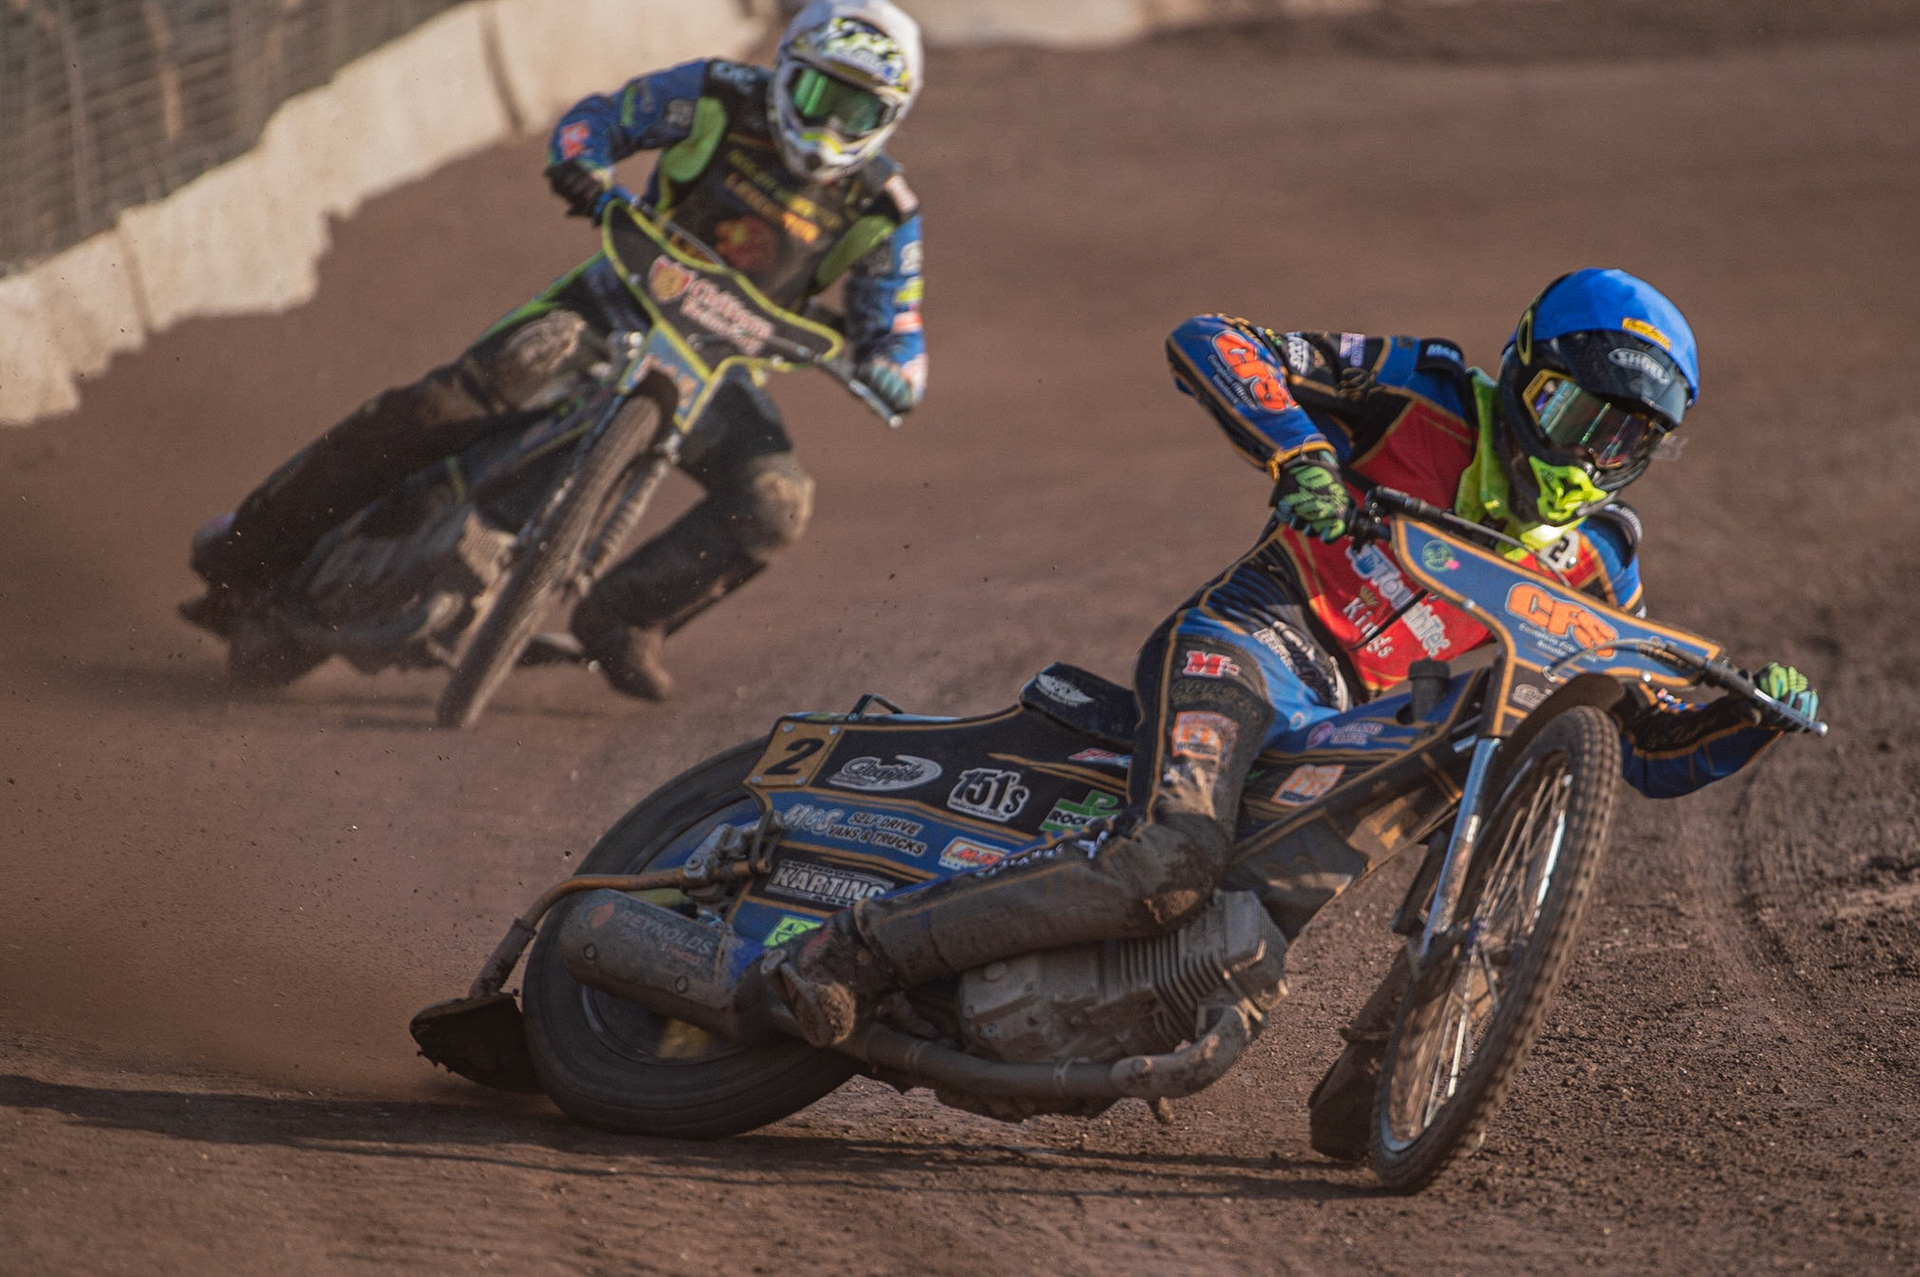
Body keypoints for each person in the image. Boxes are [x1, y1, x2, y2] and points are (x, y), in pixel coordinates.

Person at [758, 268, 1821, 1158]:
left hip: (1364, 731)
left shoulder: (1606, 560)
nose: (1590, 458)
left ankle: (1382, 1054)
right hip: (1255, 646)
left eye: (1625, 444)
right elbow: (1214, 337)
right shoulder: (1425, 388)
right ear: (1524, 375)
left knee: (1481, 760)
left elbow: (1642, 741)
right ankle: (854, 950)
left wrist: (1747, 715)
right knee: (1167, 857)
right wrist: (1301, 453)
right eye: (1577, 417)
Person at [183, 0, 929, 700]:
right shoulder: (719, 92)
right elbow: (605, 117)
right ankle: (252, 550)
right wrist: (585, 159)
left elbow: (896, 321)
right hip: (608, 306)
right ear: (788, 71)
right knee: (430, 411)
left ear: (888, 118)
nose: (831, 124)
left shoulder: (884, 208)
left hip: (718, 370)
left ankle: (625, 617)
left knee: (776, 502)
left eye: (857, 111)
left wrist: (895, 367)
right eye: (821, 96)